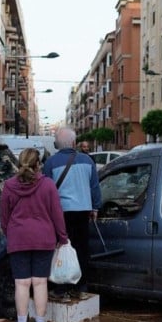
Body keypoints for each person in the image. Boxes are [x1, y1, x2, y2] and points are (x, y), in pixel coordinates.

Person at [0, 148, 68, 322]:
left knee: (21, 283)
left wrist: (10, 233)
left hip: (18, 237)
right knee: (40, 283)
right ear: (38, 164)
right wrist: (62, 237)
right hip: (44, 238)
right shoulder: (48, 185)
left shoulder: (9, 185)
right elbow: (57, 214)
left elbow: (4, 217)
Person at [43, 127, 101, 302]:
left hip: (61, 213)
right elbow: (94, 187)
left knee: (61, 250)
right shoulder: (87, 161)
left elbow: (46, 190)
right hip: (83, 211)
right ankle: (81, 287)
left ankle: (61, 289)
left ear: (56, 145)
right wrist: (95, 208)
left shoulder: (51, 163)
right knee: (82, 249)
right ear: (74, 143)